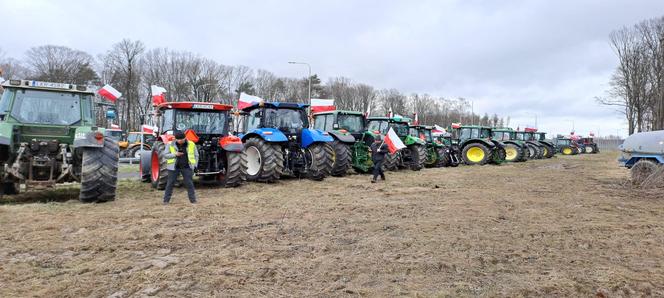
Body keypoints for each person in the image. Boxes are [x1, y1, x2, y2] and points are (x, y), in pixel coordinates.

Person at [163, 130, 199, 204]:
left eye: (182, 139)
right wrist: (175, 154)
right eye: (178, 140)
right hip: (173, 168)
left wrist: (195, 165)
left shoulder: (191, 144)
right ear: (175, 139)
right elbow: (165, 155)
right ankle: (166, 201)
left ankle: (193, 201)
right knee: (170, 183)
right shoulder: (170, 144)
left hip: (187, 167)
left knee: (189, 184)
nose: (180, 141)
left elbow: (196, 155)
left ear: (185, 138)